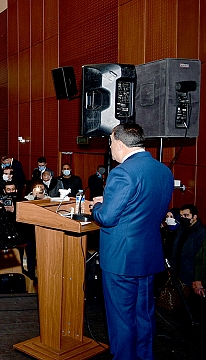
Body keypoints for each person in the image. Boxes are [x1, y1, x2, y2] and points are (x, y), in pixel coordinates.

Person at [91, 123, 173, 360]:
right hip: (148, 256)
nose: (110, 149)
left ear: (119, 143)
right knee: (143, 316)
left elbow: (107, 218)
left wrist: (97, 205)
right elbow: (141, 208)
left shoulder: (122, 172)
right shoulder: (162, 170)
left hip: (121, 259)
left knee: (121, 320)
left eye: (110, 143)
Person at [170, 204, 206, 290]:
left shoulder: (201, 232)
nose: (183, 218)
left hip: (192, 276)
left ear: (194, 217)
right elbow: (175, 249)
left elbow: (200, 257)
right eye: (182, 215)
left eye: (186, 215)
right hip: (178, 273)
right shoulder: (181, 229)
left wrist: (198, 278)